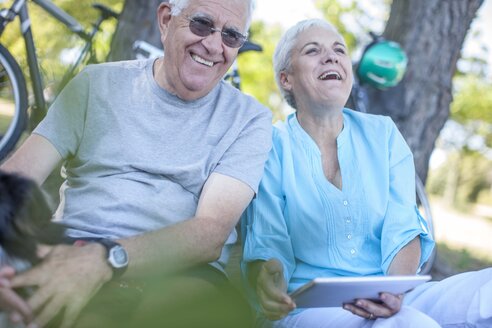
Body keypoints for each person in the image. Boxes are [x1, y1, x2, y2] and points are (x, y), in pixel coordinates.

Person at [0, 0, 272, 327]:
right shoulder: (94, 84)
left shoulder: (249, 119)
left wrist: (104, 259)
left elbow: (210, 234)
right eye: (201, 24)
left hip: (180, 277)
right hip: (70, 249)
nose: (214, 45)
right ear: (166, 19)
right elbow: (13, 181)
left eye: (231, 36)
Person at [241, 18, 492, 328]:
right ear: (286, 79)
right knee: (407, 324)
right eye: (312, 51)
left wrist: (393, 291)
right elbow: (269, 240)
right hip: (308, 306)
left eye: (339, 50)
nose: (331, 56)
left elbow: (403, 228)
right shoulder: (272, 145)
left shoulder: (383, 134)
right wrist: (270, 277)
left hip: (389, 291)